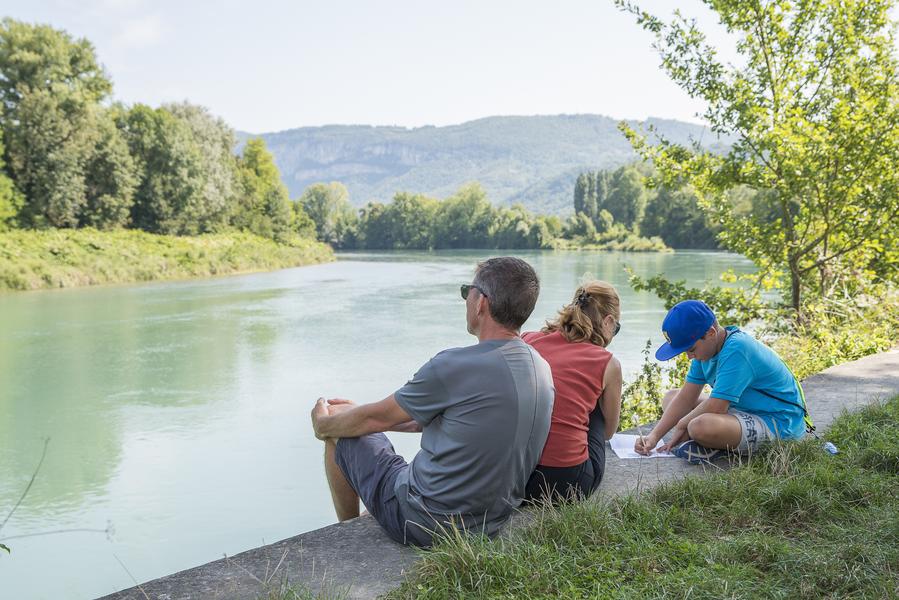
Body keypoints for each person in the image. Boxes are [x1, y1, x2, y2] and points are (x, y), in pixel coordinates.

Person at [310, 257, 554, 546]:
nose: (465, 300)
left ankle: (346, 533)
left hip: (424, 523)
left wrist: (324, 423)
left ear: (481, 303)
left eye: (466, 292)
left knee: (337, 421)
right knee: (354, 420)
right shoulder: (540, 367)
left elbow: (377, 418)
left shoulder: (454, 365)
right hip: (489, 521)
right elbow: (443, 420)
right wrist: (363, 415)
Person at [635, 299, 809, 463]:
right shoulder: (705, 352)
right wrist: (654, 436)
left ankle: (717, 447)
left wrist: (682, 424)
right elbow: (686, 397)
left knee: (699, 426)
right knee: (671, 397)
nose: (689, 356)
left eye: (691, 349)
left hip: (777, 422)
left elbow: (717, 407)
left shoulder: (737, 349)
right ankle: (714, 442)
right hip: (742, 410)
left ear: (711, 333)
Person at [521, 281, 623, 503]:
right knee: (596, 406)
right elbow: (607, 432)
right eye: (616, 328)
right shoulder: (608, 363)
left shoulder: (527, 340)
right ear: (608, 321)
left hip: (519, 476)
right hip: (568, 483)